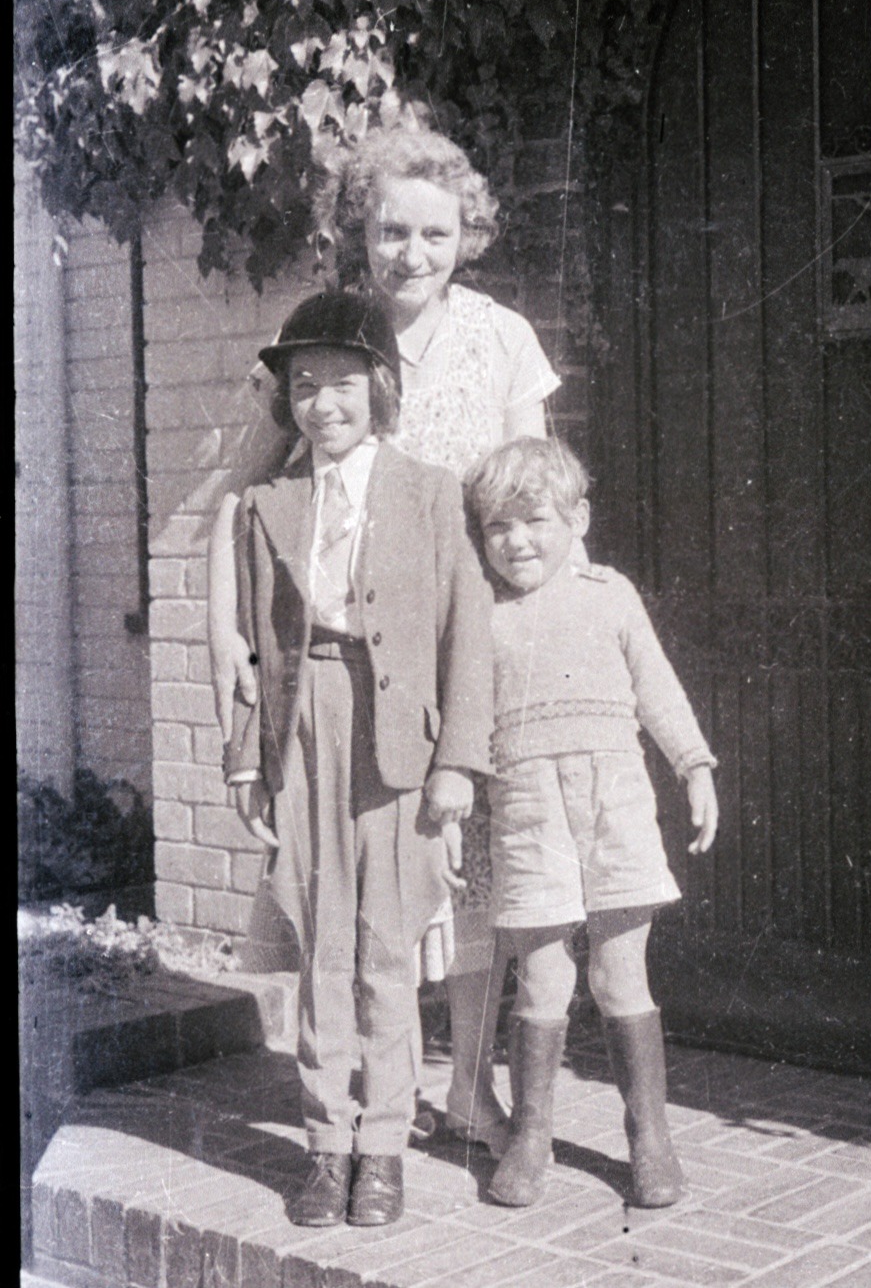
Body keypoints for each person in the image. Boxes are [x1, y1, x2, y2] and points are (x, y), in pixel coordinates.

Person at [208, 105, 561, 1154]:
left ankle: (466, 1084)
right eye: (392, 231)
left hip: (476, 630)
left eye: (436, 233)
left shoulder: (502, 338)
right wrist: (224, 630)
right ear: (359, 232)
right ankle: (368, 1094)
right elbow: (240, 498)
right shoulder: (326, 338)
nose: (414, 253)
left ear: (469, 236)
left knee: (475, 864)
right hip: (359, 654)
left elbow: (531, 488)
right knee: (371, 877)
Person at [223, 290, 494, 1227]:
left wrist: (457, 762)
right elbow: (253, 649)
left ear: (379, 388)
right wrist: (247, 762)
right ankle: (324, 1143)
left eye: (342, 382)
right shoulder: (269, 502)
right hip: (304, 729)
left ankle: (381, 1148)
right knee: (318, 946)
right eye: (303, 384)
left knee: (387, 945)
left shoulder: (430, 490)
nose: (323, 402)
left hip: (400, 743)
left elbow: (468, 635)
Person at [463, 437, 721, 1210]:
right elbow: (465, 720)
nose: (516, 540)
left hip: (615, 802)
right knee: (541, 975)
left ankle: (649, 1136)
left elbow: (657, 687)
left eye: (533, 519)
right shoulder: (482, 613)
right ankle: (531, 1134)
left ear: (577, 517)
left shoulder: (611, 594)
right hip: (526, 809)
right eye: (497, 527)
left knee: (618, 972)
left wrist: (694, 765)